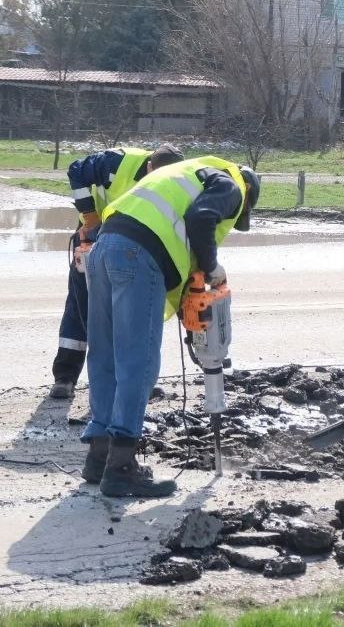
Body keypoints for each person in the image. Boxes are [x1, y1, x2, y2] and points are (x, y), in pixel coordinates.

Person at [80, 155, 260, 498]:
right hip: (139, 253)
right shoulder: (231, 184)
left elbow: (177, 231)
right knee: (139, 361)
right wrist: (212, 268)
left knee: (105, 355)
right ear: (248, 191)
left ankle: (98, 456)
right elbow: (202, 218)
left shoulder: (186, 173)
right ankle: (120, 469)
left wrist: (186, 304)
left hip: (106, 245)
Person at [48, 143, 185, 400]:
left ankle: (129, 380)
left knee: (128, 313)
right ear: (148, 167)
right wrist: (89, 216)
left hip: (133, 247)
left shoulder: (176, 185)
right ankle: (65, 377)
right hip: (93, 238)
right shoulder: (116, 163)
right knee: (81, 305)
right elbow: (76, 170)